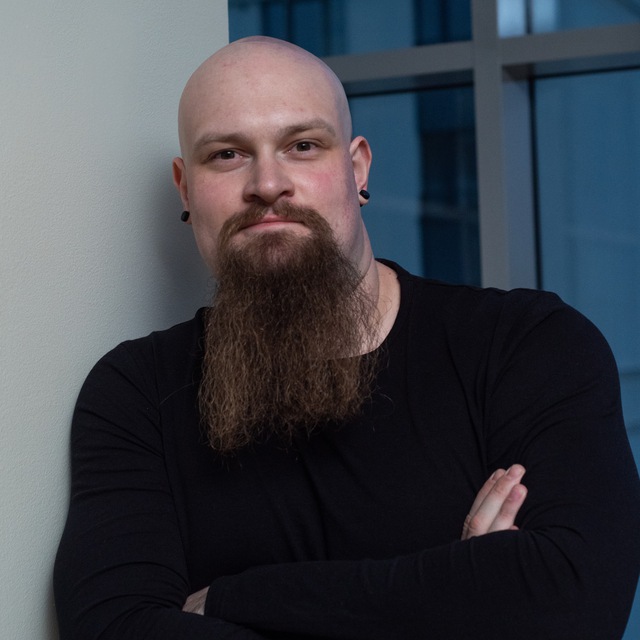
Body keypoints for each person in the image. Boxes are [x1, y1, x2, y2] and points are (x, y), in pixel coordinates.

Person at [54, 36, 640, 639]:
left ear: (357, 168)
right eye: (227, 155)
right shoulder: (138, 394)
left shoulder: (527, 346)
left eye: (303, 146)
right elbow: (115, 629)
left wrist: (236, 599)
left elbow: (573, 601)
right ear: (185, 188)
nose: (267, 183)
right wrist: (460, 597)